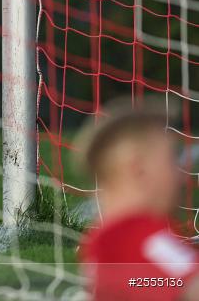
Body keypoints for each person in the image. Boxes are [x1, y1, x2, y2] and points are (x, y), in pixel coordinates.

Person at [79, 110, 199, 300]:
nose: (181, 176)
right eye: (171, 160)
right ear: (137, 168)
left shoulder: (105, 238)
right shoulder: (136, 236)